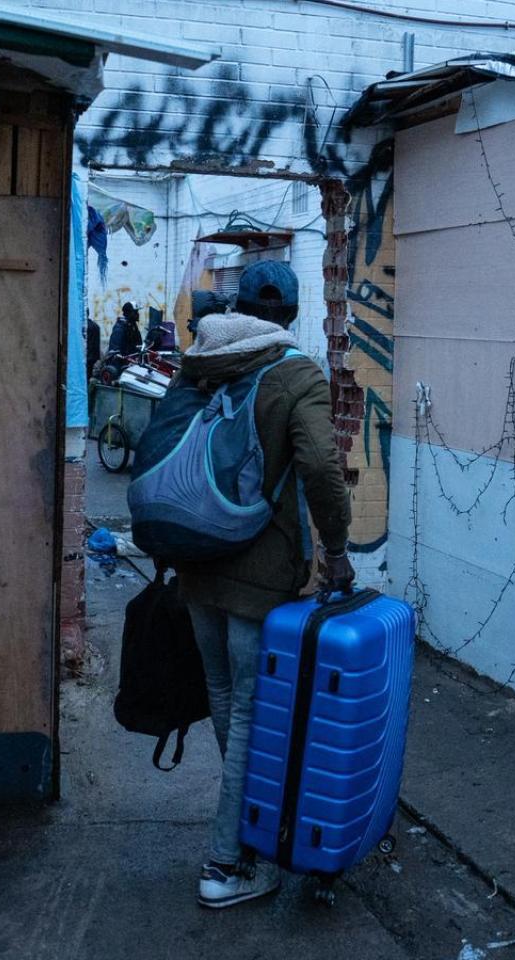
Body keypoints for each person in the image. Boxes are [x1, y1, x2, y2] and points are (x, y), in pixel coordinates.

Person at [172, 260, 353, 909]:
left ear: (238, 304)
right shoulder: (295, 372)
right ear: (294, 314)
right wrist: (337, 549)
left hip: (196, 562)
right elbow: (321, 468)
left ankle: (245, 824)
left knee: (227, 697)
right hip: (259, 575)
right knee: (252, 713)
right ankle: (230, 861)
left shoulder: (204, 357)